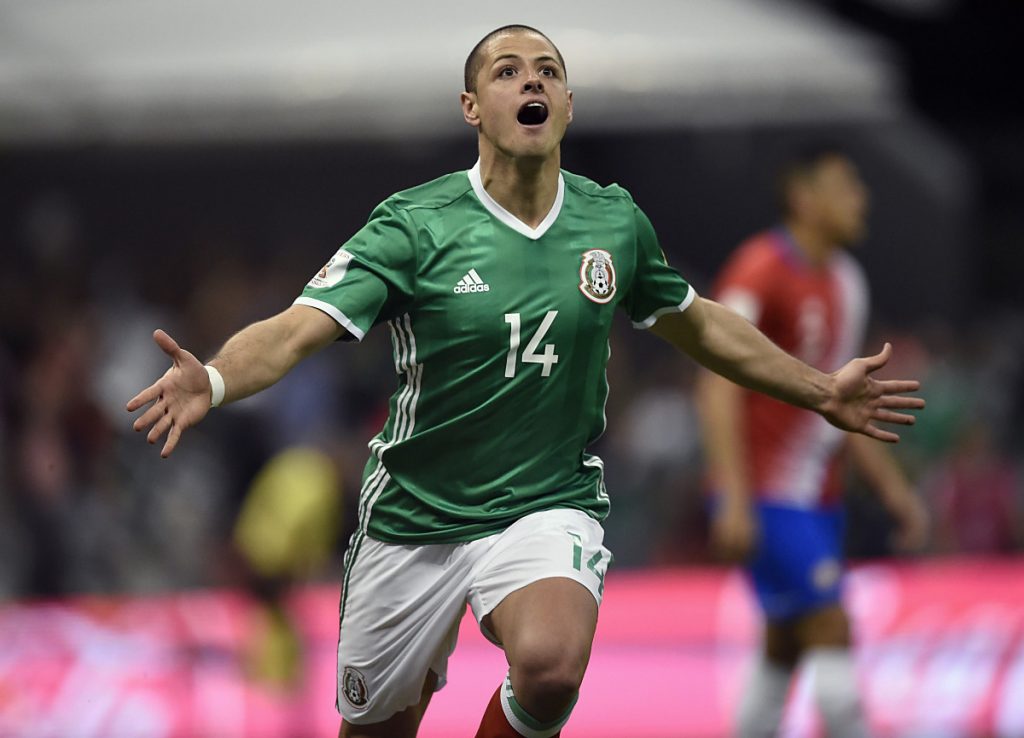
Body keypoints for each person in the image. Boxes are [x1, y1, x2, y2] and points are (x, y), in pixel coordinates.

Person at [126, 27, 924, 738]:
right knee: (375, 727)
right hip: (416, 517)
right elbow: (299, 328)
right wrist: (219, 379)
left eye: (547, 71)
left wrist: (819, 390)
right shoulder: (415, 225)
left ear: (569, 105)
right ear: (472, 106)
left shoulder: (613, 222)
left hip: (545, 503)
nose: (531, 82)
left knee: (550, 668)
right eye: (507, 72)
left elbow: (701, 323)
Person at [696, 146, 929, 738]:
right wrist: (735, 496)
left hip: (817, 499)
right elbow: (716, 382)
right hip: (768, 498)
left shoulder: (848, 281)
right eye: (845, 187)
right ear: (804, 197)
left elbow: (842, 405)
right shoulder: (759, 269)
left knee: (785, 646)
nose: (862, 199)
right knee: (831, 630)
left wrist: (893, 490)